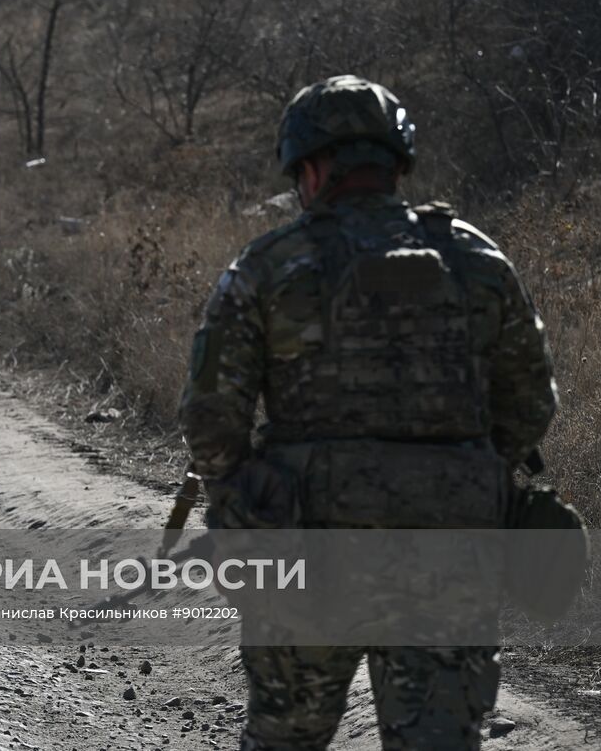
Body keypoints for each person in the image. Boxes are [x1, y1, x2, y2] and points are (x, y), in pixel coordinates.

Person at [178, 75, 558, 750]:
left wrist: (243, 502)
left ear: (314, 169)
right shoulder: (475, 259)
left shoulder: (269, 266)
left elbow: (210, 419)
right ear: (394, 163)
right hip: (447, 555)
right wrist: (461, 475)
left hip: (307, 549)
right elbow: (530, 404)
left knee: (284, 738)